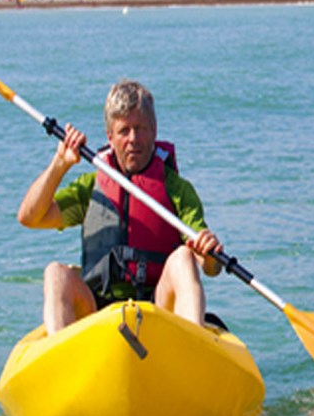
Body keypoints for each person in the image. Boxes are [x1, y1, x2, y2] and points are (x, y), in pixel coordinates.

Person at [17, 80, 223, 334]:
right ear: (110, 136)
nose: (133, 139)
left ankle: (193, 349)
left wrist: (209, 255)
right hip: (98, 310)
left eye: (141, 128)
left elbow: (210, 267)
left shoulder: (177, 190)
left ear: (154, 130)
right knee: (55, 274)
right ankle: (64, 363)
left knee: (183, 258)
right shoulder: (92, 188)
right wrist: (60, 164)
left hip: (157, 307)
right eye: (124, 131)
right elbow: (30, 217)